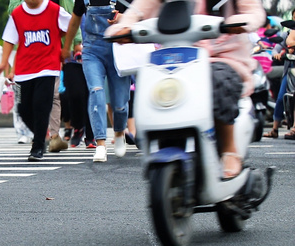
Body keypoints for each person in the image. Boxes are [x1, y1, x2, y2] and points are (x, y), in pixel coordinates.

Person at [106, 0, 266, 178]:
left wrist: (241, 21)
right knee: (152, 84)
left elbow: (253, 11)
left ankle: (230, 150)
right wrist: (126, 25)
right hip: (176, 57)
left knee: (217, 79)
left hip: (223, 56)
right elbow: (139, 8)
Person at [0, 0, 71, 161]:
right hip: (24, 69)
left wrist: (65, 47)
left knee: (41, 105)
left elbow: (71, 25)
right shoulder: (17, 14)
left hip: (48, 67)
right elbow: (9, 39)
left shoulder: (54, 9)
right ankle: (42, 135)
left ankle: (37, 147)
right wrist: (3, 63)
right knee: (23, 109)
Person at [62, 0, 132, 163]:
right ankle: (100, 143)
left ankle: (120, 132)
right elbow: (74, 21)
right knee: (96, 91)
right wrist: (67, 47)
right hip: (92, 51)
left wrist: (122, 18)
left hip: (119, 49)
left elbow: (139, 17)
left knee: (120, 103)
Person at [264, 9, 295, 139]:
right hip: (290, 70)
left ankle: (293, 128)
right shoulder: (288, 33)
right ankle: (275, 129)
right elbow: (278, 47)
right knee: (281, 97)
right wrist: (277, 54)